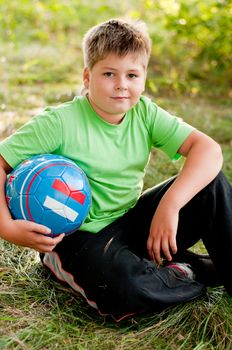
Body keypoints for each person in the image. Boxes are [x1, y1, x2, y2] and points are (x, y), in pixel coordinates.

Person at [0, 19, 231, 321]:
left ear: (144, 77)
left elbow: (209, 150)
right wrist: (7, 227)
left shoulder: (144, 113)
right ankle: (191, 270)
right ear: (87, 76)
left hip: (130, 223)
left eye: (132, 75)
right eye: (109, 73)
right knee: (122, 290)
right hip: (77, 240)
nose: (122, 84)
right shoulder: (59, 122)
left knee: (210, 184)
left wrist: (170, 206)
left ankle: (201, 269)